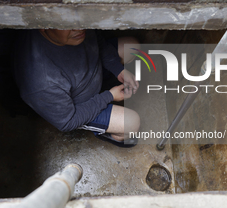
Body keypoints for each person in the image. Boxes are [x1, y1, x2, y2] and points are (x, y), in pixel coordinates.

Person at [12, 29, 140, 147]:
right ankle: (110, 134)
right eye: (68, 25)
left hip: (89, 72)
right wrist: (108, 96)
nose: (80, 28)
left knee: (133, 46)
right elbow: (68, 122)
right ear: (43, 27)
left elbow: (98, 41)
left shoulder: (75, 27)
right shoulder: (41, 81)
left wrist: (118, 69)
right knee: (132, 123)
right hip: (80, 107)